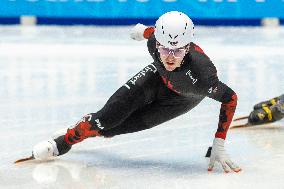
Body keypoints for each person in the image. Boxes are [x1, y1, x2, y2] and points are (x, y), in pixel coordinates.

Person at [31, 11, 241, 173]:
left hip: (181, 100)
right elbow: (151, 33)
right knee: (106, 118)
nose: (169, 57)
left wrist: (219, 141)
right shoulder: (153, 42)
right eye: (164, 48)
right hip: (154, 79)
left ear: (187, 48)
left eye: (177, 51)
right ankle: (63, 142)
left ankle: (85, 129)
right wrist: (142, 32)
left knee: (111, 130)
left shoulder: (203, 75)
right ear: (157, 44)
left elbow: (230, 98)